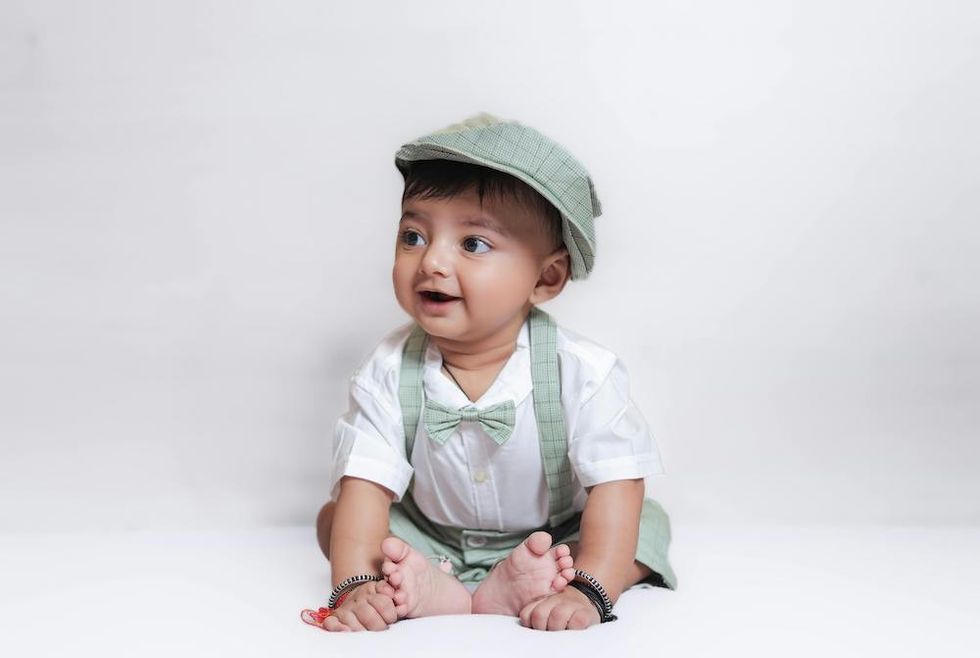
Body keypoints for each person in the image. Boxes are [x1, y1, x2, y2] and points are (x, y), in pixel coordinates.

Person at [312, 113, 676, 632]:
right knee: (337, 520)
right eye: (413, 236)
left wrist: (589, 589)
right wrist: (355, 587)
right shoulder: (387, 369)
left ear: (546, 277)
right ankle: (428, 585)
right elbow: (366, 484)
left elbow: (615, 483)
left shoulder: (581, 371)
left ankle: (552, 580)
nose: (431, 262)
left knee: (641, 524)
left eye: (472, 244)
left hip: (555, 539)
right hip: (432, 534)